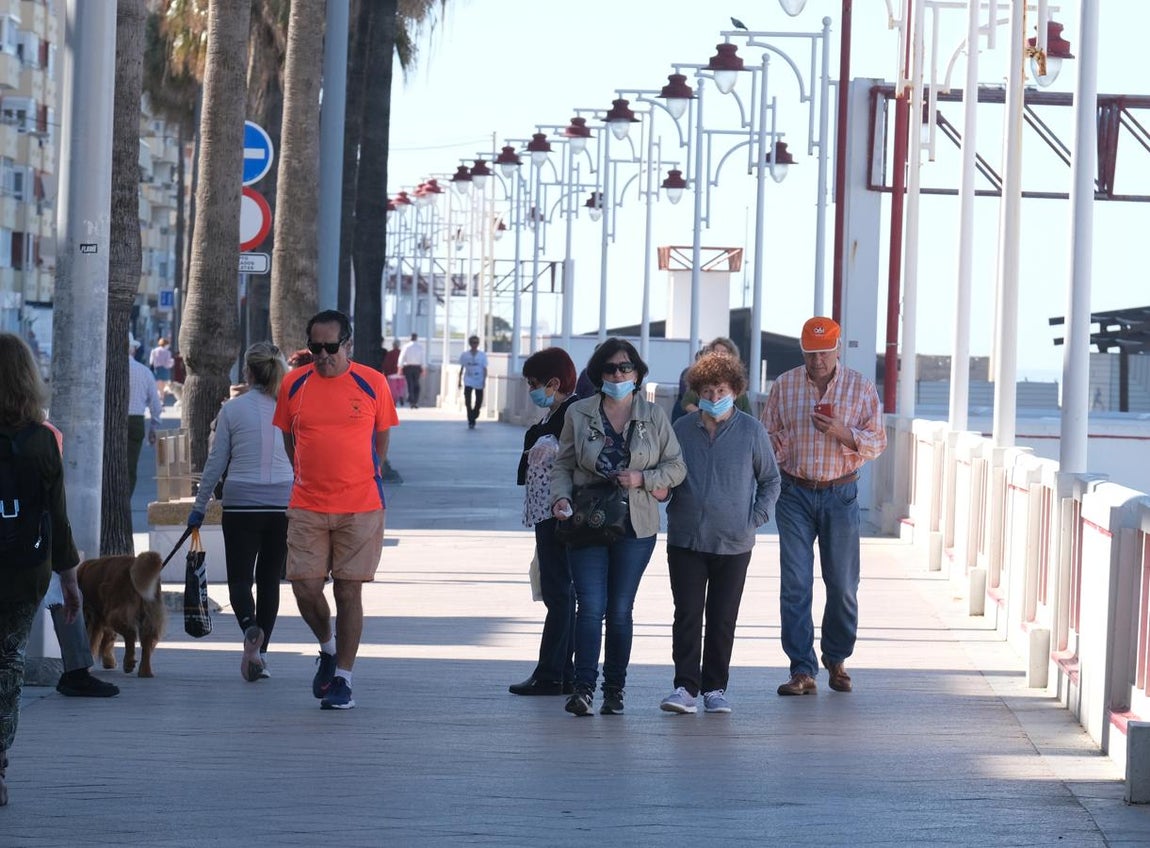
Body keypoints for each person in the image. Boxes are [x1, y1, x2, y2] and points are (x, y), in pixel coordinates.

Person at [551, 338, 686, 716]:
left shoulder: (654, 415)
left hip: (635, 524)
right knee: (590, 606)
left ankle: (614, 690)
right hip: (586, 521)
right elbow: (562, 465)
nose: (618, 374)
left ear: (638, 373)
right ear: (598, 375)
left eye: (625, 367)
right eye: (610, 369)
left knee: (621, 608)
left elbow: (677, 466)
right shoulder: (579, 413)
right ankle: (582, 688)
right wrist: (559, 498)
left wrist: (642, 478)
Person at [273, 310, 399, 710]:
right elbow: (289, 442)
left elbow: (381, 442)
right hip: (307, 504)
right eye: (315, 347)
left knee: (348, 590)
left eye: (330, 347)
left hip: (360, 506)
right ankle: (327, 648)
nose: (322, 355)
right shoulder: (294, 384)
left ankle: (343, 678)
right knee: (304, 587)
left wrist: (362, 476)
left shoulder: (372, 382)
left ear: (348, 345)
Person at [761, 316, 886, 696]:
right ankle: (802, 668)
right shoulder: (784, 386)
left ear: (837, 348)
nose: (817, 360)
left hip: (841, 493)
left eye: (824, 352)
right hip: (795, 491)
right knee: (795, 583)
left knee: (843, 584)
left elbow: (877, 441)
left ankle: (837, 657)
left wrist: (841, 432)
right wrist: (778, 447)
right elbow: (768, 437)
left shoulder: (860, 387)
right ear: (803, 350)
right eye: (811, 353)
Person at [660, 353, 780, 715]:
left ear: (736, 391)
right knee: (687, 615)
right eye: (708, 391)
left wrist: (756, 516)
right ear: (698, 392)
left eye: (722, 390)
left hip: (734, 542)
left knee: (723, 617)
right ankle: (685, 687)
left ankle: (715, 688)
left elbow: (771, 479)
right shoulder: (680, 429)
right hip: (686, 539)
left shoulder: (751, 431)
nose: (714, 398)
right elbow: (664, 470)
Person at [0, 333, 83, 806]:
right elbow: (59, 518)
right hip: (25, 569)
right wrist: (69, 582)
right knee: (7, 661)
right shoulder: (41, 442)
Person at [188, 342, 294, 682]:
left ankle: (249, 627)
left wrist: (199, 507)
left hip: (241, 504)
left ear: (248, 372)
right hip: (282, 504)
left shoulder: (233, 410)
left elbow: (216, 463)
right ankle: (260, 655)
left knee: (239, 579)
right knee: (269, 581)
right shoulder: (291, 408)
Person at [509, 347, 580, 697]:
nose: (532, 391)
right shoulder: (560, 413)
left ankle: (552, 672)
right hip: (550, 513)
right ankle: (562, 671)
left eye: (535, 384)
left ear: (554, 383)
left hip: (560, 514)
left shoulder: (571, 415)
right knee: (560, 591)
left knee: (559, 592)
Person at [679, 337, 754, 416]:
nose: (719, 355)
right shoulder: (702, 378)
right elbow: (686, 403)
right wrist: (704, 416)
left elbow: (747, 411)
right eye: (716, 352)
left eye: (724, 352)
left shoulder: (736, 381)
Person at [128, 334, 163, 496]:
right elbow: (155, 404)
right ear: (133, 349)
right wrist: (153, 427)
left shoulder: (106, 370)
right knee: (130, 466)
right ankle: (125, 501)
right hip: (135, 420)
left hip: (109, 422)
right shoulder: (144, 372)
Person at [458, 335, 488, 429]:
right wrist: (459, 380)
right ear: (470, 343)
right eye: (473, 342)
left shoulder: (482, 355)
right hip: (468, 379)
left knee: (478, 401)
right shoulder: (465, 355)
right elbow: (462, 368)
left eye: (476, 342)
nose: (474, 344)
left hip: (479, 379)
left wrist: (484, 380)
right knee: (468, 401)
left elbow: (485, 368)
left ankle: (475, 413)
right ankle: (471, 419)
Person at [397, 332, 426, 408]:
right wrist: (423, 368)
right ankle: (415, 401)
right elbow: (423, 358)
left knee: (410, 384)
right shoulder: (420, 347)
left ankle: (411, 401)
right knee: (416, 384)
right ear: (416, 338)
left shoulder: (406, 346)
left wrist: (400, 367)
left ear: (410, 338)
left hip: (408, 367)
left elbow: (402, 357)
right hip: (417, 367)